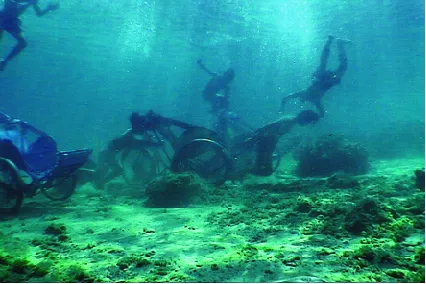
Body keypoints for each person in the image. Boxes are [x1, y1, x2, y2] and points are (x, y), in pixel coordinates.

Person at [280, 35, 350, 117]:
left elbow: (286, 98)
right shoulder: (314, 100)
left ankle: (333, 42)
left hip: (321, 80)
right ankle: (336, 43)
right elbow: (321, 112)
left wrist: (282, 108)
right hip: (325, 81)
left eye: (302, 99)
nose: (302, 100)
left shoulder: (309, 97)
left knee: (330, 65)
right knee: (336, 66)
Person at [238, 110, 320, 176]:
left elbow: (271, 128)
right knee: (263, 166)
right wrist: (254, 138)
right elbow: (269, 127)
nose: (306, 124)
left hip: (269, 140)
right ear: (304, 119)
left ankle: (249, 174)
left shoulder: (291, 120)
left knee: (264, 165)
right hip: (266, 140)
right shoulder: (289, 121)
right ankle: (243, 173)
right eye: (307, 122)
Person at [0, 0, 60, 71]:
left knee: (23, 43)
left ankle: (4, 61)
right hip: (3, 18)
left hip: (11, 21)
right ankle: (4, 61)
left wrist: (49, 8)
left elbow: (39, 13)